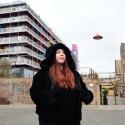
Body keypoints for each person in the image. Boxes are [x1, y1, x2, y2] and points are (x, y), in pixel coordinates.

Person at [30, 43, 93, 125]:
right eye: (58, 52)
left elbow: (82, 89)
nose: (62, 54)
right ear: (52, 55)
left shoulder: (74, 74)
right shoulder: (43, 74)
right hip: (52, 120)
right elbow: (35, 92)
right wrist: (47, 101)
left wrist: (86, 95)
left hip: (73, 120)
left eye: (64, 52)